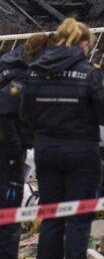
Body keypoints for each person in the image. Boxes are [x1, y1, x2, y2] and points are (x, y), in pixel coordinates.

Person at [20, 18, 104, 259]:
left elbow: (24, 113)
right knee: (78, 217)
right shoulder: (89, 74)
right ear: (83, 43)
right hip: (81, 153)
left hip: (46, 151)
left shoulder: (35, 71)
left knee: (51, 216)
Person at [0, 33, 47, 259]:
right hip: (3, 153)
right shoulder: (21, 79)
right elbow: (2, 114)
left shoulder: (10, 68)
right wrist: (16, 149)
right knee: (9, 216)